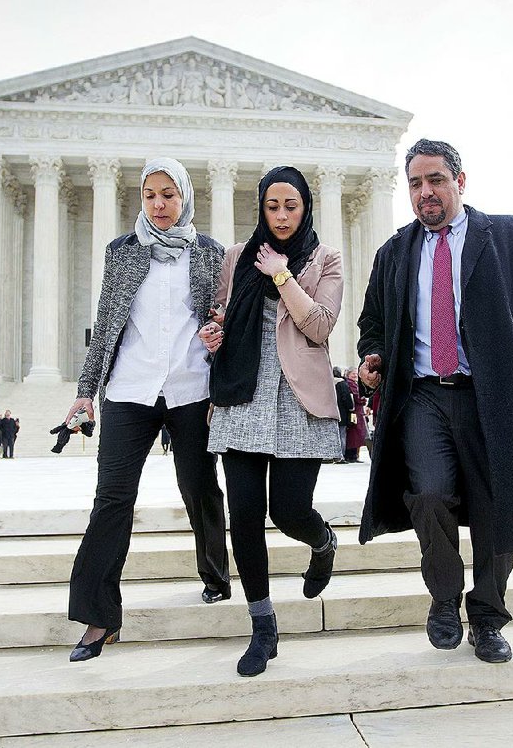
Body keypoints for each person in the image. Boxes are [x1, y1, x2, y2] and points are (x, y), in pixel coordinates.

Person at [357, 139, 513, 664]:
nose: (425, 192)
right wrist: (373, 356)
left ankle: (489, 618)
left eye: (435, 180)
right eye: (415, 183)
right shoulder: (394, 252)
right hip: (424, 396)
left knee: (499, 509)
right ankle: (445, 598)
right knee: (427, 495)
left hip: (494, 396)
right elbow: (373, 324)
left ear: (460, 181)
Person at [65, 157, 231, 663]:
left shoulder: (209, 253)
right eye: (150, 195)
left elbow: (222, 319)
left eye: (169, 195)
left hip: (190, 386)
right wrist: (84, 391)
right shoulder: (121, 251)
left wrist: (219, 338)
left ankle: (215, 574)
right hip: (129, 389)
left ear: (185, 197)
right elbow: (107, 322)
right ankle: (98, 618)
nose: (159, 204)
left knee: (199, 487)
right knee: (112, 498)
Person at [202, 165, 343, 677]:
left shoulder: (326, 259)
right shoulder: (237, 258)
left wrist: (281, 273)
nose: (281, 216)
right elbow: (221, 312)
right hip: (242, 394)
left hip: (297, 399)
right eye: (272, 207)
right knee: (244, 516)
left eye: (291, 206)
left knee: (288, 511)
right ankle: (263, 625)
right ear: (260, 208)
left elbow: (320, 326)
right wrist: (212, 332)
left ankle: (322, 542)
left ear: (305, 207)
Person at [344, 367, 368, 462]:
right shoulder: (351, 384)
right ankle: (352, 455)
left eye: (355, 373)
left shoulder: (354, 384)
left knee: (356, 434)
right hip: (355, 412)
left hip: (357, 411)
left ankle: (354, 455)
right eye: (353, 374)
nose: (355, 375)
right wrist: (363, 399)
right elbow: (358, 397)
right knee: (355, 434)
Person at [332, 366, 354, 463]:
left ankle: (332, 455)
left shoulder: (328, 382)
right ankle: (340, 456)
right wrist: (350, 408)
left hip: (331, 413)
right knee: (342, 435)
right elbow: (347, 399)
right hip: (342, 414)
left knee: (333, 435)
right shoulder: (342, 384)